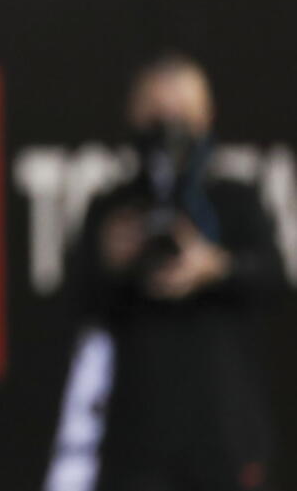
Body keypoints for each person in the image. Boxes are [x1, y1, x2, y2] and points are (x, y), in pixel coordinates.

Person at [64, 53, 285, 491]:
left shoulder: (234, 200)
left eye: (181, 113)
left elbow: (274, 279)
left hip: (222, 432)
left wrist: (216, 266)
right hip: (138, 435)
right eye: (155, 113)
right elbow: (78, 301)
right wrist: (111, 261)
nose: (168, 128)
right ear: (132, 114)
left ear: (206, 116)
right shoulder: (113, 209)